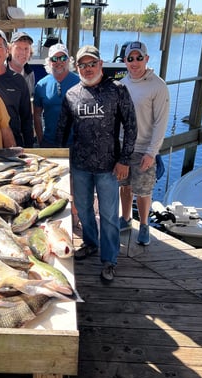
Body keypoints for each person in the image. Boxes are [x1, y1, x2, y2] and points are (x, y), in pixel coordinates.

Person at [55, 45, 137, 282]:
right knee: (83, 208)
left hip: (109, 166)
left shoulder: (117, 90)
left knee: (110, 215)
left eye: (92, 64)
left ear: (100, 65)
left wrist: (124, 160)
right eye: (83, 64)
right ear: (77, 67)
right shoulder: (71, 94)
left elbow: (131, 127)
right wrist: (59, 159)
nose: (88, 68)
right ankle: (90, 243)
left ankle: (109, 259)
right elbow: (62, 129)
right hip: (80, 165)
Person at [119, 41, 170, 246]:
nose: (135, 62)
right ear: (125, 61)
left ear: (146, 59)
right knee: (124, 186)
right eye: (130, 58)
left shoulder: (158, 86)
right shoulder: (122, 84)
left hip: (144, 150)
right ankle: (125, 219)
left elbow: (161, 122)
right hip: (124, 148)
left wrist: (152, 152)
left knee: (144, 191)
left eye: (139, 57)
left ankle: (145, 225)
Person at [33, 43, 79, 147]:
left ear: (68, 60)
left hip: (75, 144)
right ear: (49, 62)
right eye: (54, 59)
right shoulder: (41, 85)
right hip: (49, 142)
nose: (59, 62)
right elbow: (36, 114)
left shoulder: (80, 82)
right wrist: (41, 140)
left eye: (63, 58)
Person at [7, 31, 35, 97]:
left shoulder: (30, 74)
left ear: (30, 52)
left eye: (26, 49)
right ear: (10, 50)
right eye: (18, 48)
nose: (23, 52)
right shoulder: (0, 71)